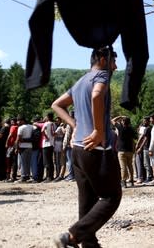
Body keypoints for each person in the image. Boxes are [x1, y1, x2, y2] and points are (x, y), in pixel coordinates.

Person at [51, 46, 121, 248]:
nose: (115, 67)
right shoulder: (101, 76)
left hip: (78, 149)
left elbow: (56, 104)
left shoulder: (81, 81)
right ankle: (72, 236)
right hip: (97, 148)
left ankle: (89, 244)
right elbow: (97, 96)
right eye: (113, 60)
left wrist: (74, 125)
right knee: (111, 196)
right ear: (101, 58)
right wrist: (99, 130)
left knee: (87, 198)